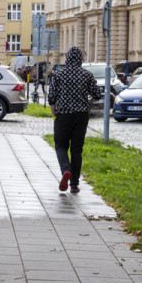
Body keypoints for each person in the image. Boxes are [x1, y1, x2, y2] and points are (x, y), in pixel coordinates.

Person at [47, 46, 102, 194]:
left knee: (60, 146)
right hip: (81, 116)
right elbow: (97, 94)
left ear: (67, 58)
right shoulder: (87, 75)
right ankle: (74, 184)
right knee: (77, 149)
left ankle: (66, 170)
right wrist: (86, 101)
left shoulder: (58, 75)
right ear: (80, 60)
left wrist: (54, 116)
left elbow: (51, 98)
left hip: (63, 115)